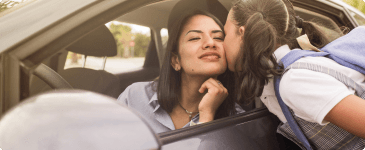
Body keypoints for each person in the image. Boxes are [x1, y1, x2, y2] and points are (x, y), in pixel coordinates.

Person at [223, 0, 365, 149]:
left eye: (225, 34)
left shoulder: (295, 81)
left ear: (242, 34)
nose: (222, 43)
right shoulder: (284, 77)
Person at [118, 10, 241, 134]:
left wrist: (207, 116)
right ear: (175, 60)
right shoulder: (134, 97)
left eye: (218, 38)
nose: (210, 43)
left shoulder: (240, 120)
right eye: (195, 38)